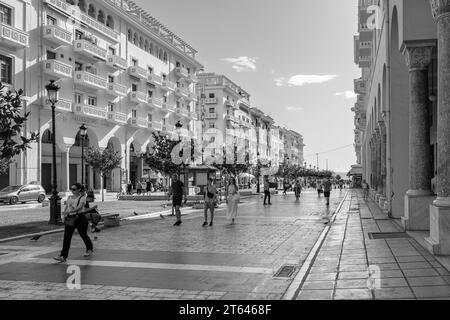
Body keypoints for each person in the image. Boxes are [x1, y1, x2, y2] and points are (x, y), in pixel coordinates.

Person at [54, 183, 93, 263]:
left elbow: (79, 208)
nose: (72, 191)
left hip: (80, 218)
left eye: (74, 189)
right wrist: (64, 215)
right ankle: (63, 256)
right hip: (70, 218)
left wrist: (70, 211)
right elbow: (66, 207)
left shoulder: (82, 198)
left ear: (79, 189)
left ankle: (89, 249)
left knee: (83, 235)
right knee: (66, 237)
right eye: (71, 189)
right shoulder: (69, 197)